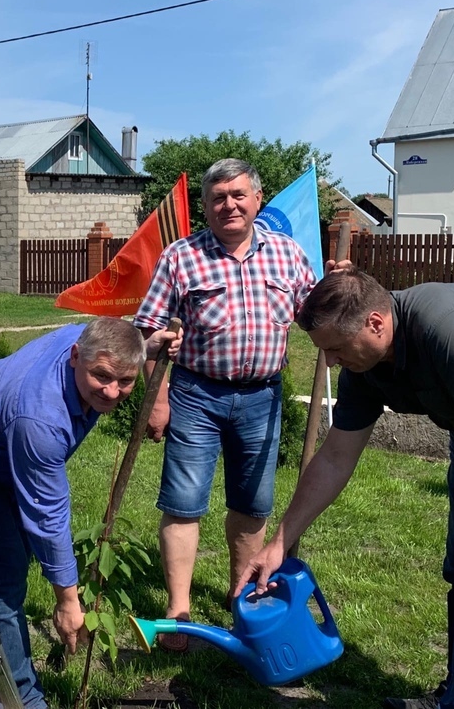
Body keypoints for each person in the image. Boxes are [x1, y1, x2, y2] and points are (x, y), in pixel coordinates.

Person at [234, 268, 454, 709]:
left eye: (336, 349)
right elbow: (336, 456)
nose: (331, 362)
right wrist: (279, 542)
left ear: (376, 324)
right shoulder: (363, 363)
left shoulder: (448, 332)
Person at [0, 317, 181, 709]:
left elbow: (116, 341)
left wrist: (146, 342)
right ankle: (21, 696)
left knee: (0, 558)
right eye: (102, 377)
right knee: (5, 572)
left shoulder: (91, 340)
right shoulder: (42, 420)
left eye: (125, 381)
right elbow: (48, 516)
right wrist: (67, 600)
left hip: (5, 448)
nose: (112, 392)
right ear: (77, 356)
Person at [133, 158, 319, 645]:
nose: (229, 205)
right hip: (196, 394)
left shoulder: (288, 255)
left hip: (263, 397)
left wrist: (337, 287)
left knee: (253, 504)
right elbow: (149, 330)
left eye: (238, 195)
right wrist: (157, 399)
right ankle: (178, 611)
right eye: (218, 198)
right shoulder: (181, 257)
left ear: (257, 200)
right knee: (183, 503)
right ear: (206, 206)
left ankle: (244, 597)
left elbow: (318, 314)